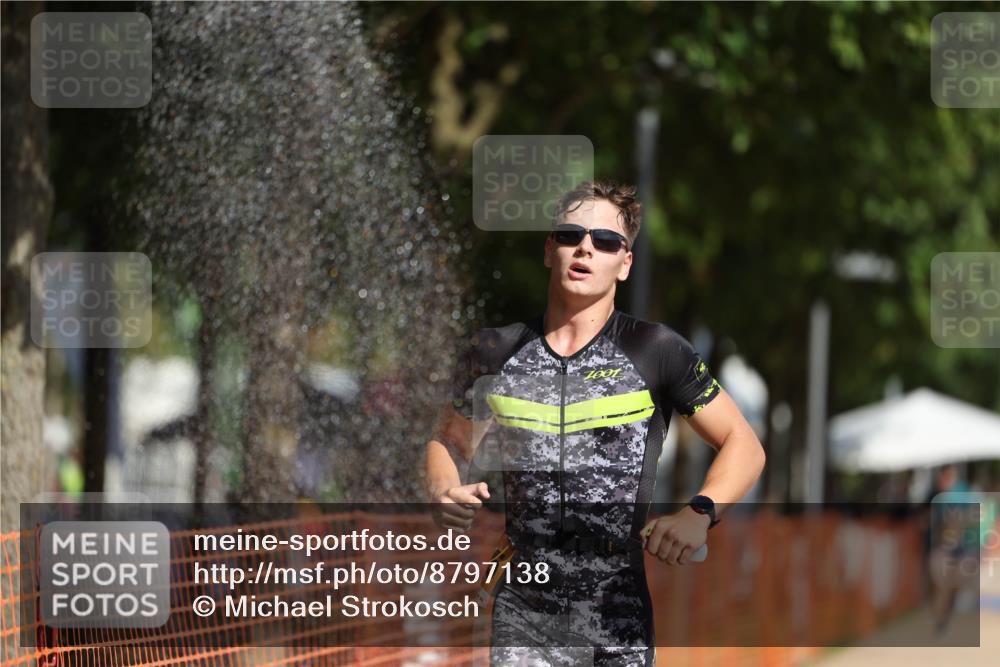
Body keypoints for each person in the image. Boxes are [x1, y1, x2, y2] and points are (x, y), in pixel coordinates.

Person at [425, 180, 766, 666]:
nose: (586, 247)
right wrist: (443, 489)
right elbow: (449, 442)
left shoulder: (656, 350)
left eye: (606, 241)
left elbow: (743, 443)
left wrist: (700, 513)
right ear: (550, 250)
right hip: (525, 599)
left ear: (625, 263)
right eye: (571, 235)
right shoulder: (495, 351)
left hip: (615, 605)